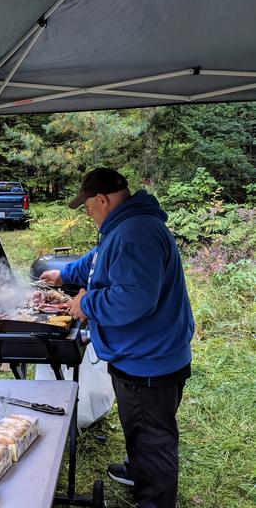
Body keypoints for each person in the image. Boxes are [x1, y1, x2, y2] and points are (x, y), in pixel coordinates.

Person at [40, 167, 194, 508]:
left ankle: (153, 494)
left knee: (153, 437)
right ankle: (140, 469)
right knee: (139, 424)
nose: (87, 213)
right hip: (144, 352)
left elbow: (135, 298)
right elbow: (99, 262)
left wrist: (85, 303)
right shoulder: (124, 227)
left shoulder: (135, 233)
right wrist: (63, 274)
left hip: (150, 361)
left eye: (88, 206)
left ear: (102, 199)